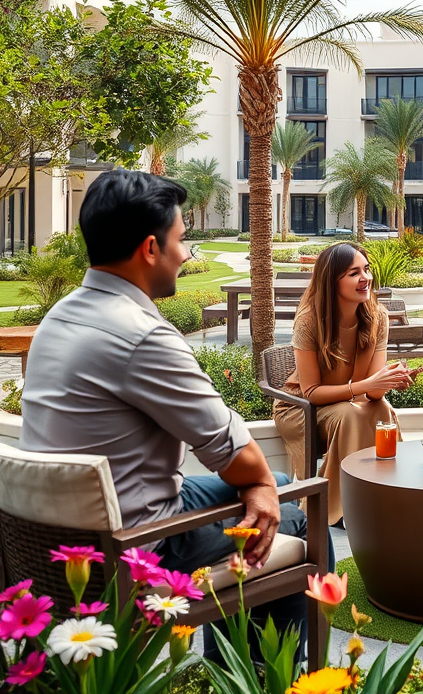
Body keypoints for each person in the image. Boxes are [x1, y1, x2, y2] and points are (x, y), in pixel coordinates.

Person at [20, 169, 326, 656]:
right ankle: (259, 680)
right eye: (182, 241)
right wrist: (262, 485)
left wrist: (260, 482)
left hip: (54, 538)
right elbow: (237, 456)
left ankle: (231, 671)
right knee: (296, 515)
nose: (186, 255)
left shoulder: (59, 317)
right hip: (135, 545)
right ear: (149, 249)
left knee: (269, 491)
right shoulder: (141, 334)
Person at [273, 242, 415, 525]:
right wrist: (363, 387)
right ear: (332, 280)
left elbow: (371, 393)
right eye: (353, 273)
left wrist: (388, 381)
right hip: (299, 407)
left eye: (367, 269)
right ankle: (339, 507)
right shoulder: (309, 321)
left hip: (345, 403)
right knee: (350, 413)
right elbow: (311, 392)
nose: (366, 278)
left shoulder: (377, 318)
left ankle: (387, 495)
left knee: (382, 411)